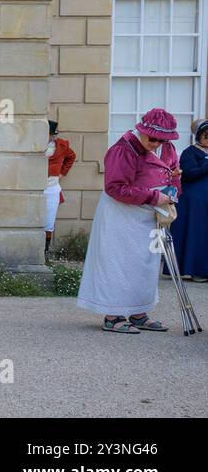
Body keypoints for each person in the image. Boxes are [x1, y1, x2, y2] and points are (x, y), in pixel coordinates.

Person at [77, 108, 180, 333]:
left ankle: (138, 313)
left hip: (149, 214)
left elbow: (173, 171)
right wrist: (154, 196)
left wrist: (173, 190)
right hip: (121, 214)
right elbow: (115, 188)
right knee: (119, 263)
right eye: (152, 138)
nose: (156, 143)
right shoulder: (123, 150)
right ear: (142, 131)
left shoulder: (165, 147)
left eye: (162, 140)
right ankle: (112, 316)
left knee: (146, 264)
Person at [174, 117, 208, 283]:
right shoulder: (190, 152)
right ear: (199, 136)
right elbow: (187, 174)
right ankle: (197, 270)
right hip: (195, 202)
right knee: (197, 234)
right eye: (206, 135)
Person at [45, 120, 76, 253]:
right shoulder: (34, 144)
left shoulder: (62, 145)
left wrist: (62, 173)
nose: (52, 137)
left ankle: (44, 250)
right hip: (35, 187)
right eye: (50, 134)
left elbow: (71, 157)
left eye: (53, 134)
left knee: (49, 220)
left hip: (52, 187)